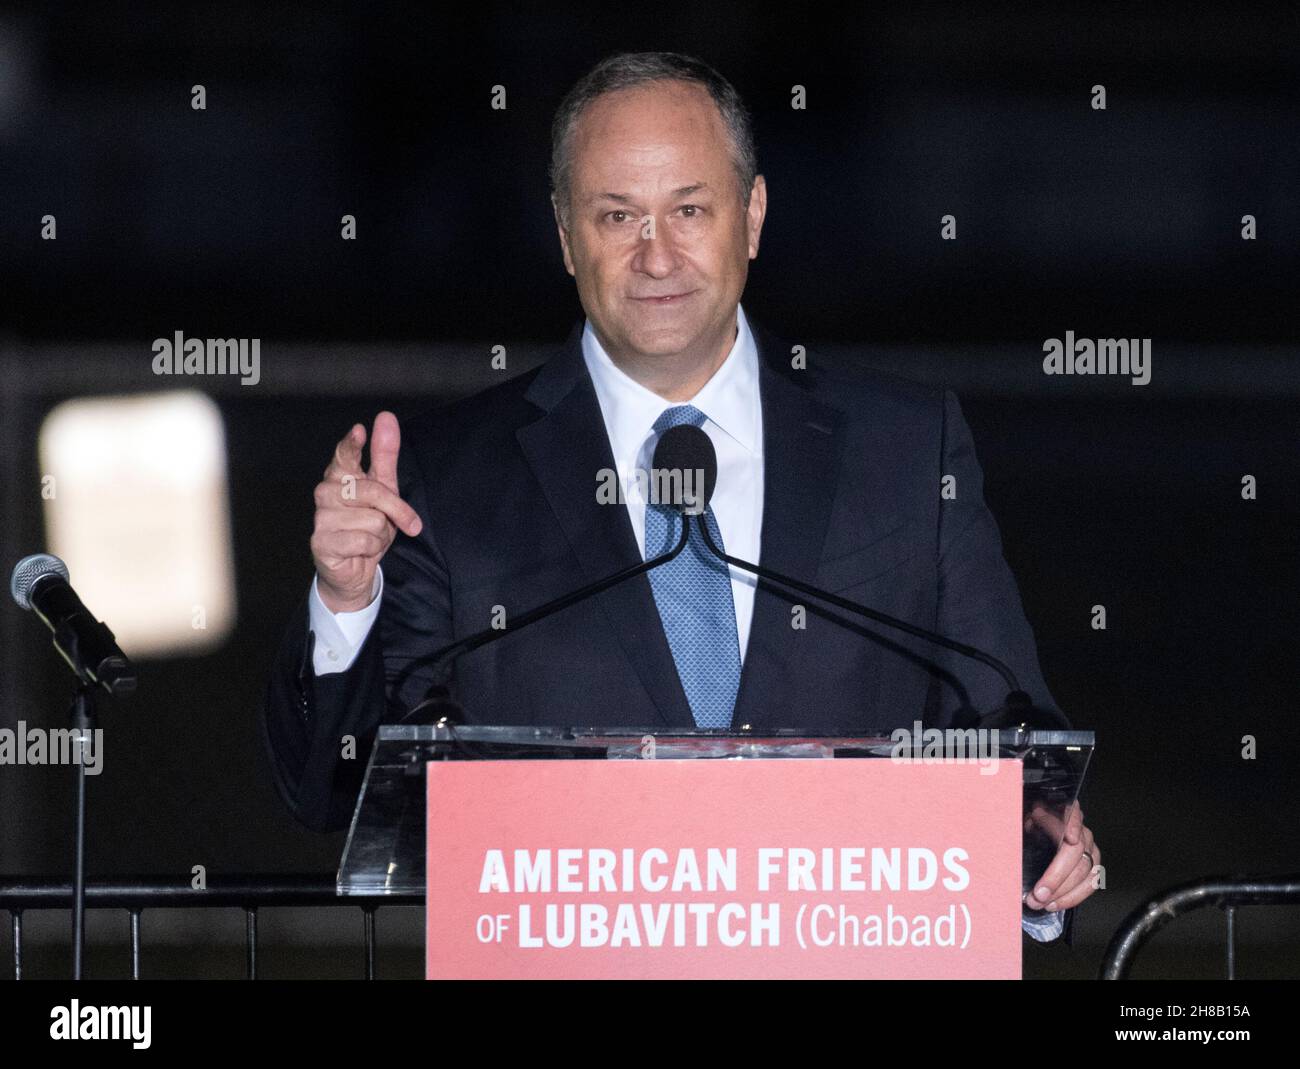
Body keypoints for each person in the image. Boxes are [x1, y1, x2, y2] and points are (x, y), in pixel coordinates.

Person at [261, 51, 1099, 943]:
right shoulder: (445, 477)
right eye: (617, 215)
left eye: (689, 210)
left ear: (753, 216)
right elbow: (336, 792)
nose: (656, 255)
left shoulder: (906, 448)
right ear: (563, 233)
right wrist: (346, 603)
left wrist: (1034, 852)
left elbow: (1009, 728)